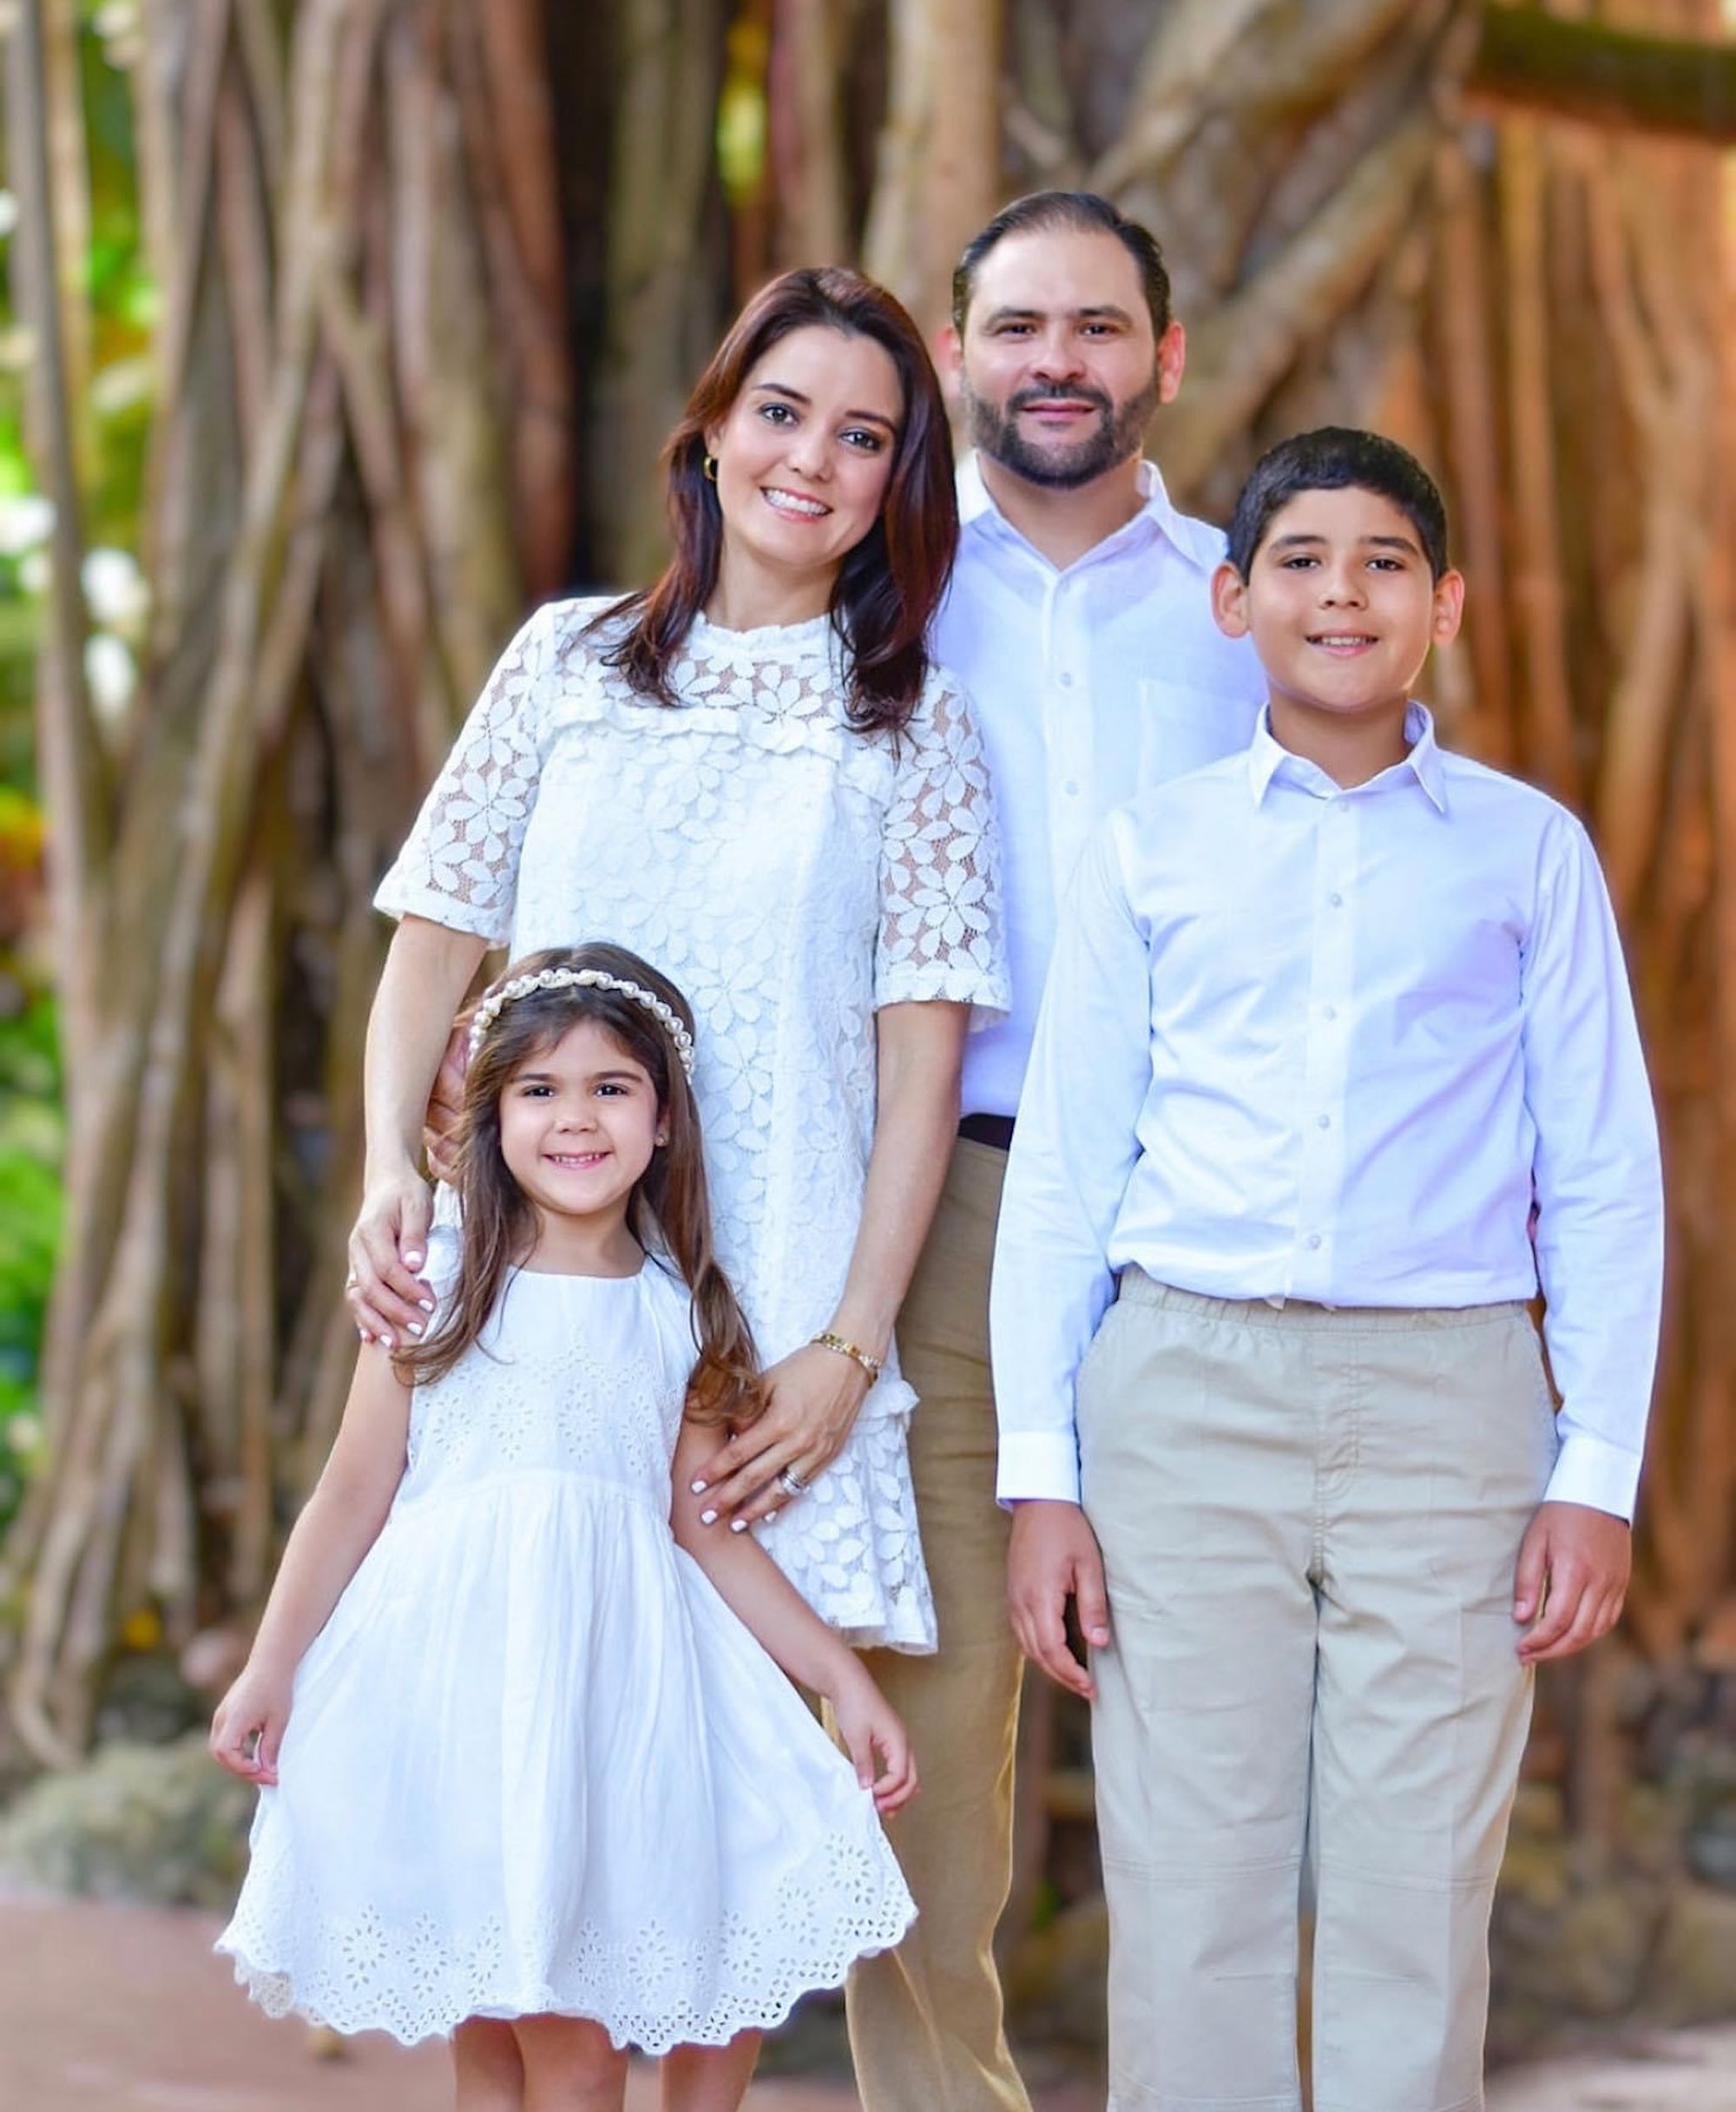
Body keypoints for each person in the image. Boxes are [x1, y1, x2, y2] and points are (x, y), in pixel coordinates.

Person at [344, 266, 1004, 2098]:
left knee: (734, 1833)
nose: (812, 458)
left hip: (772, 1322)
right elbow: (431, 938)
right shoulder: (566, 661)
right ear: (711, 430)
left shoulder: (915, 724)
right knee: (527, 1793)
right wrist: (393, 1169)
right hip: (540, 1290)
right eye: (781, 411)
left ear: (895, 480)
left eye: (863, 435)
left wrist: (847, 1345)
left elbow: (921, 1066)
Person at [991, 428, 1664, 2112]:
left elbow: (1600, 1175)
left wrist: (1594, 1470)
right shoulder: (1151, 849)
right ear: (1233, 601)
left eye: (1383, 562)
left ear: (1446, 603)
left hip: (1452, 1403)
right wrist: (1040, 1472)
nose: (1340, 593)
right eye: (1299, 559)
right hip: (1181, 1390)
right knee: (1187, 1887)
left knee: (1415, 1901)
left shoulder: (1527, 850)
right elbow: (1065, 1171)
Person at [793, 192, 1267, 2112]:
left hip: (1208, 1222)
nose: (1055, 362)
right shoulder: (868, 596)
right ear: (954, 355)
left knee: (1223, 1751)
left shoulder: (1260, 598)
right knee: (923, 1764)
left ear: (1166, 354)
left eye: (1096, 326)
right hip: (945, 1206)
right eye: (1016, 327)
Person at [212, 944, 917, 2111]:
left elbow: (708, 1529)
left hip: (610, 1691)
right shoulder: (435, 1281)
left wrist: (841, 1680)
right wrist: (271, 1667)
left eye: (611, 1088)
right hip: (457, 1692)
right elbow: (350, 1492)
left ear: (664, 1120)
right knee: (506, 2048)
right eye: (540, 1089)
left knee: (583, 2035)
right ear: (491, 1115)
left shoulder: (680, 1312)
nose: (575, 1118)